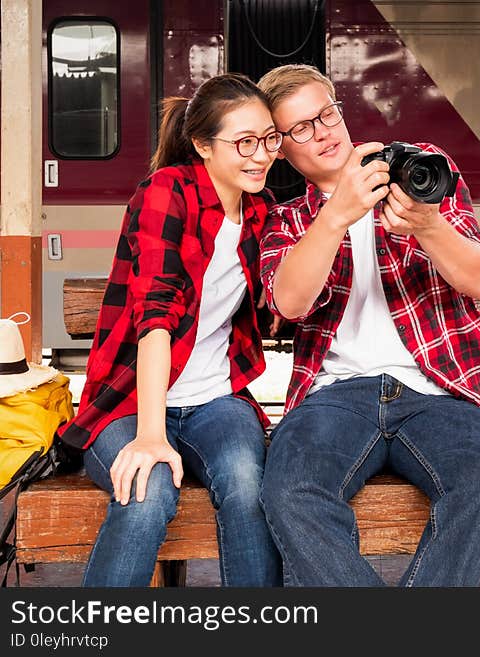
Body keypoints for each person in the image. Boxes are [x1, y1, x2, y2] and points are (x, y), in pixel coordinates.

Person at [256, 64, 480, 587]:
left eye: (326, 114)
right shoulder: (285, 220)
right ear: (280, 147)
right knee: (289, 490)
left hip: (439, 389)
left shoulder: (421, 171)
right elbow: (289, 301)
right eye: (300, 128)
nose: (323, 131)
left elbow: (478, 281)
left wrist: (429, 225)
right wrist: (334, 216)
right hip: (334, 396)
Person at [56, 73, 283, 587]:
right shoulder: (166, 192)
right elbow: (155, 315)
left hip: (217, 402)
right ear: (203, 145)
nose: (261, 155)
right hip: (130, 403)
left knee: (249, 484)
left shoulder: (261, 211)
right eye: (244, 141)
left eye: (269, 138)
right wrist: (151, 435)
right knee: (148, 486)